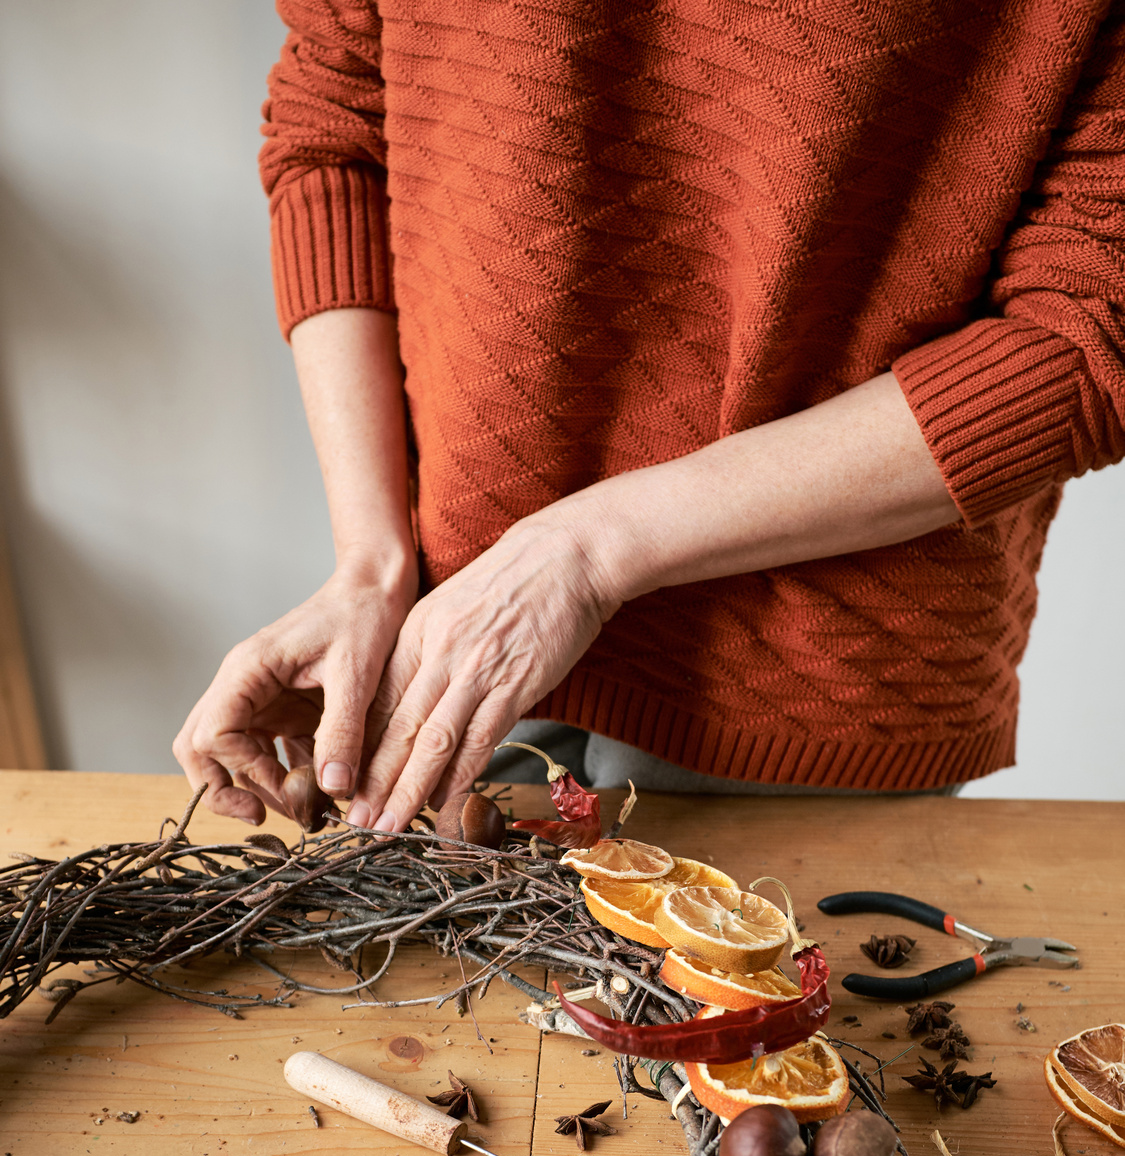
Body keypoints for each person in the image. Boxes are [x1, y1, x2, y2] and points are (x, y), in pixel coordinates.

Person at [175, 1, 1125, 829]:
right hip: (443, 631)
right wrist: (370, 565)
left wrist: (584, 554)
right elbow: (335, 134)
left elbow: (1084, 339)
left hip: (806, 693)